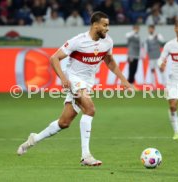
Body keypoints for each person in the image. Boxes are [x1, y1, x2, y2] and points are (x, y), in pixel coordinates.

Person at [17, 11, 133, 166]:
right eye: (105, 25)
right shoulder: (78, 41)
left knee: (64, 123)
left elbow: (110, 61)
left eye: (108, 25)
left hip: (87, 83)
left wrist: (124, 80)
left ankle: (34, 139)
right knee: (90, 109)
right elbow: (54, 58)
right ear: (95, 25)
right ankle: (86, 156)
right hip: (74, 80)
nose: (107, 29)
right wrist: (64, 79)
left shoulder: (107, 42)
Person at [126, 24, 141, 89]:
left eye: (138, 28)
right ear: (134, 28)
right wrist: (134, 32)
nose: (137, 30)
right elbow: (126, 36)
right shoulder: (130, 34)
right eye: (136, 28)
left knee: (135, 70)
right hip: (131, 55)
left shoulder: (138, 36)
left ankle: (131, 84)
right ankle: (129, 85)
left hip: (136, 55)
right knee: (131, 69)